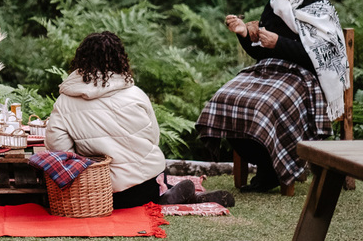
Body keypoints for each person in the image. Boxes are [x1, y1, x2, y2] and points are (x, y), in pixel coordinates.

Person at [196, 0, 349, 193]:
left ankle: (274, 170)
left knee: (268, 106)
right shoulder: (275, 4)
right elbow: (261, 51)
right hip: (268, 70)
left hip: (306, 78)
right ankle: (268, 167)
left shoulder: (319, 8)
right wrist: (245, 34)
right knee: (227, 99)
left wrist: (279, 43)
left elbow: (320, 59)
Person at [46, 31, 235, 209]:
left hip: (103, 192)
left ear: (81, 61)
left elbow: (60, 151)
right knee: (156, 181)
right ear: (120, 60)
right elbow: (153, 138)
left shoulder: (65, 102)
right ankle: (168, 193)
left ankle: (170, 195)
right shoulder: (136, 94)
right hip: (148, 182)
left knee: (119, 186)